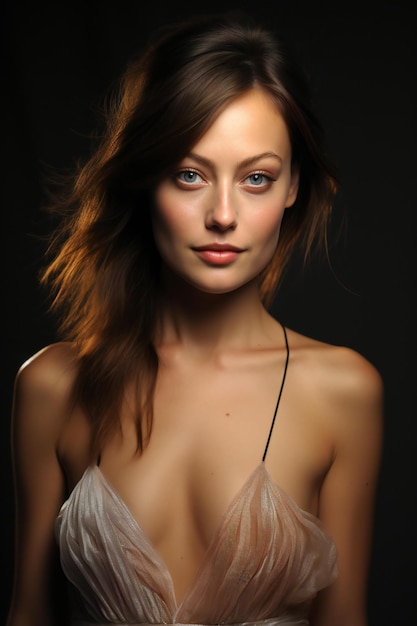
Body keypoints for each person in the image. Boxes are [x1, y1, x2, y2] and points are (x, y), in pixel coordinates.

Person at [7, 11, 383, 626]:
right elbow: (29, 612)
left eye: (257, 178)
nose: (223, 214)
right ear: (145, 178)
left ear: (292, 187)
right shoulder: (52, 386)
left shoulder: (343, 392)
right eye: (190, 174)